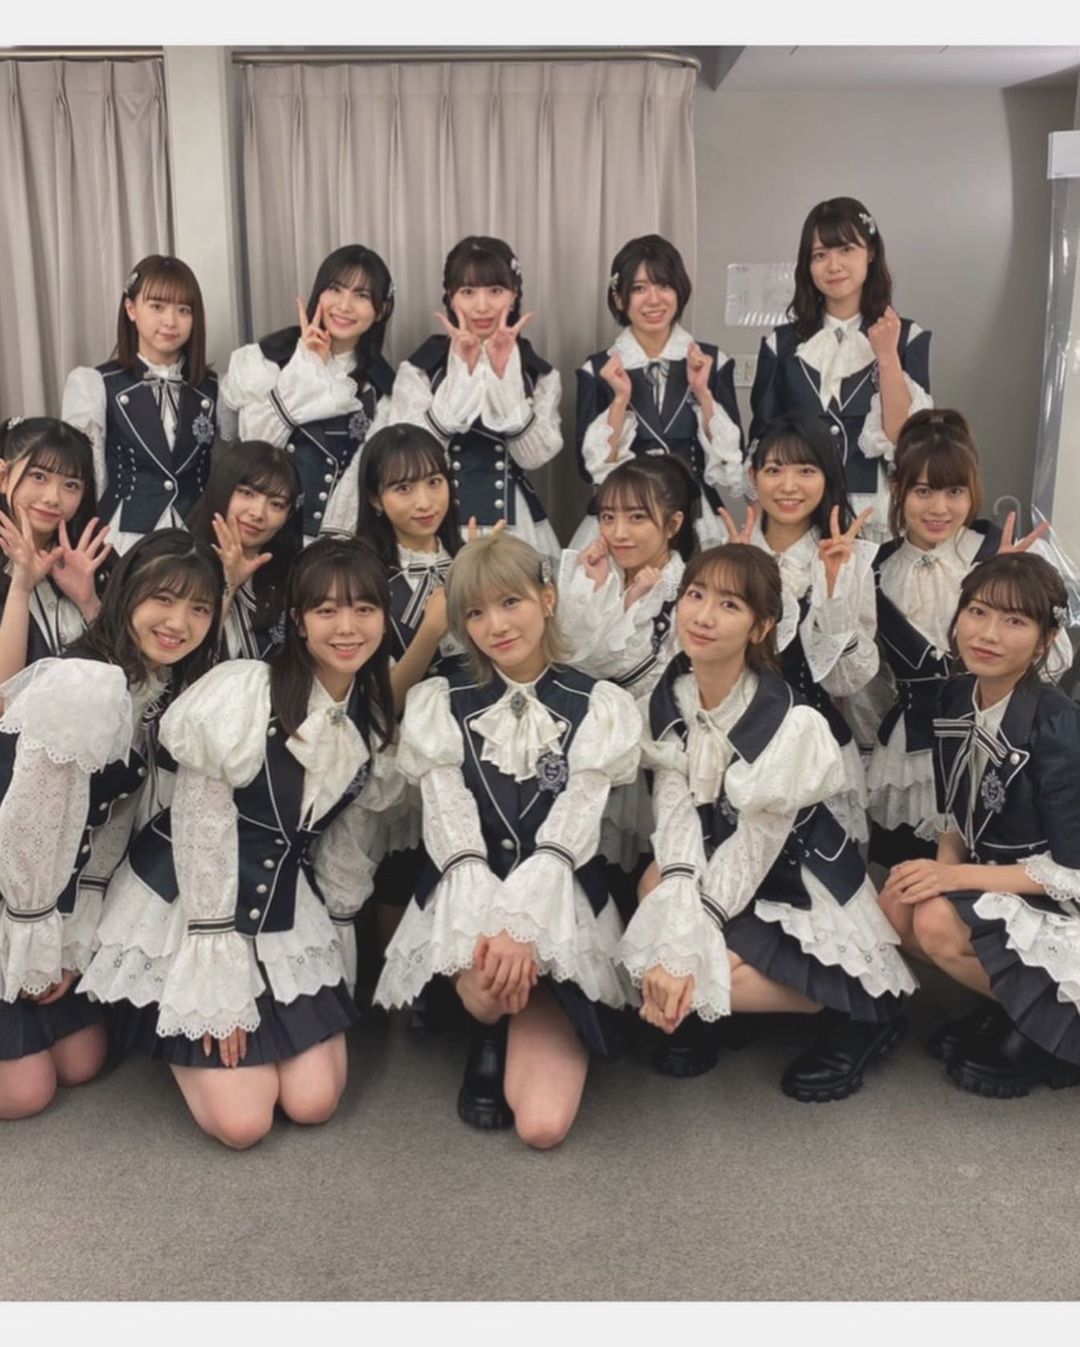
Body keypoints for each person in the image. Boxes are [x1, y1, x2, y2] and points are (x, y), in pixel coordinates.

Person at [80, 537, 401, 1148]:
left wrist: (332, 965)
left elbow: (343, 854)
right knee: (243, 1123)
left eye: (364, 609)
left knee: (313, 1102)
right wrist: (216, 976)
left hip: (283, 907)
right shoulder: (246, 689)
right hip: (191, 903)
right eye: (327, 611)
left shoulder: (373, 723)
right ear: (299, 622)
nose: (347, 627)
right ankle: (172, 1007)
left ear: (384, 620)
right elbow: (200, 829)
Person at [618, 544, 915, 1101]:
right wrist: (676, 935)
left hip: (796, 879)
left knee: (699, 973)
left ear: (761, 627)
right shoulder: (673, 696)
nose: (704, 616)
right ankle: (715, 1005)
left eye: (729, 605)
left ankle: (853, 1012)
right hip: (726, 864)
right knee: (657, 886)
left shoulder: (790, 720)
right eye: (695, 595)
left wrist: (685, 956)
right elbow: (677, 821)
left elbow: (755, 849)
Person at [375, 532, 641, 1148]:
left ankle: (538, 1002)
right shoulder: (440, 700)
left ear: (547, 599)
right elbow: (451, 828)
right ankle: (488, 1027)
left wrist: (522, 928)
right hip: (469, 896)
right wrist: (495, 928)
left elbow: (573, 827)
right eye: (475, 612)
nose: (494, 625)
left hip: (559, 896)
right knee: (488, 993)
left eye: (510, 602)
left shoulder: (598, 704)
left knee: (543, 1126)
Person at [0, 529, 223, 1119]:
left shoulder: (151, 683)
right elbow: (25, 826)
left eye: (199, 608)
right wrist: (32, 944)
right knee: (26, 1093)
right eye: (163, 599)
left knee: (83, 1062)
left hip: (53, 895)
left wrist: (72, 945)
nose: (179, 622)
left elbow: (111, 827)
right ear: (127, 595)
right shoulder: (87, 684)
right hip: (10, 888)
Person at [879, 553, 1080, 1097]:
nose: (988, 634)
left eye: (1014, 621)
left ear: (1043, 642)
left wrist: (951, 880)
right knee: (898, 903)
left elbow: (1072, 871)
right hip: (1000, 878)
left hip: (1061, 896)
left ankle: (1049, 1029)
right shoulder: (954, 695)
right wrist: (938, 872)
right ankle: (1016, 1004)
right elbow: (956, 812)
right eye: (978, 611)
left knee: (935, 921)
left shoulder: (1059, 725)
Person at [865, 409, 1069, 867]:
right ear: (897, 490)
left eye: (954, 491)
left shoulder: (1002, 551)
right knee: (905, 881)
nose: (940, 508)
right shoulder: (876, 568)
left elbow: (1053, 664)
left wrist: (1012, 590)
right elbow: (872, 684)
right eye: (923, 491)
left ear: (972, 490)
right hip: (909, 758)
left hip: (999, 748)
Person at [723, 413, 877, 842]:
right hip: (733, 746)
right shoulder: (724, 551)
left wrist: (832, 589)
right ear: (753, 477)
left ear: (827, 477)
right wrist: (735, 583)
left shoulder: (853, 560)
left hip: (817, 752)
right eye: (774, 470)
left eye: (806, 470)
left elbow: (846, 681)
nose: (788, 486)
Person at [748, 198, 932, 541]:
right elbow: (765, 437)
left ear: (870, 252)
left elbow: (908, 440)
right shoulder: (780, 344)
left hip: (876, 511)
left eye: (846, 249)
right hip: (800, 511)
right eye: (819, 255)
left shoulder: (907, 337)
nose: (833, 265)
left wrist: (887, 357)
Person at [557, 456, 697, 875]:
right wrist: (595, 587)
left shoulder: (690, 589)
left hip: (661, 744)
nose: (618, 532)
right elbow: (566, 654)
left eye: (637, 517)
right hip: (589, 738)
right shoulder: (595, 575)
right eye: (608, 517)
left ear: (673, 525)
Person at [387, 236, 561, 555]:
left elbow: (533, 457)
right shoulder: (421, 368)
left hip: (514, 525)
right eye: (468, 292)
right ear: (451, 298)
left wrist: (502, 380)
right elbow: (405, 455)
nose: (482, 306)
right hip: (433, 522)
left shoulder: (537, 373)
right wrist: (462, 383)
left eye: (495, 291)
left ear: (514, 295)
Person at [573, 234, 742, 551]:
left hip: (694, 515)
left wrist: (702, 392)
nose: (654, 300)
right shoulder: (597, 370)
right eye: (639, 288)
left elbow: (730, 458)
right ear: (619, 298)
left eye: (664, 285)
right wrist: (620, 400)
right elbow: (589, 469)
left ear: (680, 291)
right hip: (625, 515)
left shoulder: (713, 361)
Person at [220, 245, 396, 542]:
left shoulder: (383, 388)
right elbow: (252, 451)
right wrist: (304, 367)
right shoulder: (266, 361)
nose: (344, 306)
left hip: (343, 547)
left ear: (382, 310)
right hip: (265, 538)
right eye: (335, 289)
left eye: (362, 295)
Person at [62, 255, 233, 555]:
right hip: (123, 537)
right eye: (157, 306)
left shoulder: (215, 389)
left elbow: (228, 469)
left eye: (183, 310)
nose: (170, 321)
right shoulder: (97, 384)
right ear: (131, 309)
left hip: (196, 537)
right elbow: (87, 476)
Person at [0, 417, 111, 684]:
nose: (53, 497)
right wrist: (21, 588)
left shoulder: (92, 562)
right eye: (39, 477)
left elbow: (128, 671)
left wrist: (88, 602)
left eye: (71, 485)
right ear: (3, 477)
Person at [186, 440, 303, 661]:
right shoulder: (174, 560)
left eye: (276, 504)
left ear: (288, 517)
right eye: (247, 493)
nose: (258, 513)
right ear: (222, 489)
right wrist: (229, 585)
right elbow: (180, 661)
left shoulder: (294, 582)